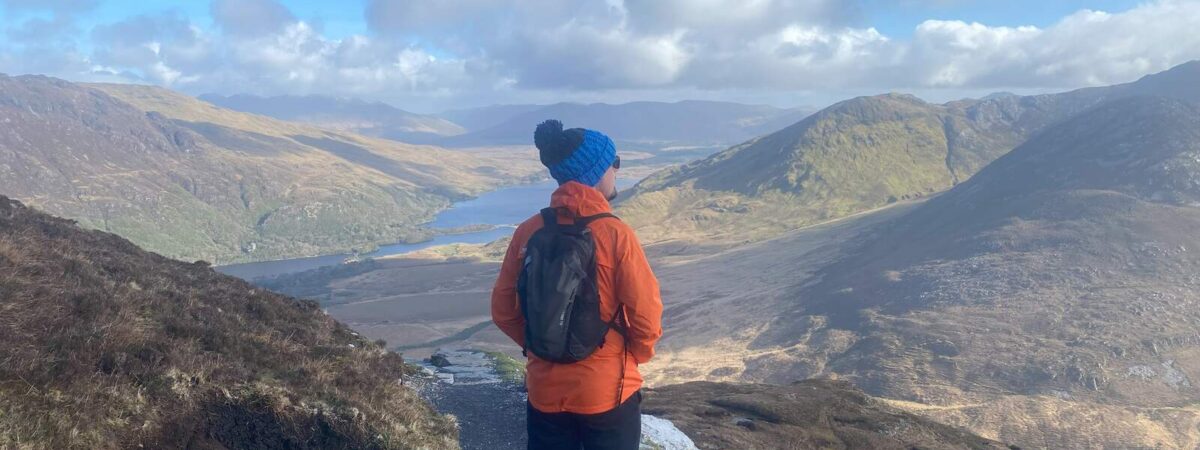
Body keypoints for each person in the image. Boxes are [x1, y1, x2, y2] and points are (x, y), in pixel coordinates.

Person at [491, 120, 663, 450]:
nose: (617, 170)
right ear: (596, 171)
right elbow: (646, 312)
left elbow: (502, 309)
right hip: (607, 391)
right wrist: (633, 356)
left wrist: (539, 347)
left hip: (544, 390)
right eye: (615, 163)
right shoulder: (615, 233)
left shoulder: (528, 231)